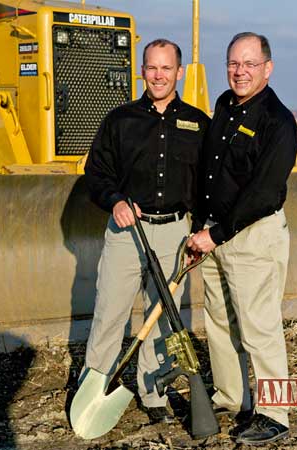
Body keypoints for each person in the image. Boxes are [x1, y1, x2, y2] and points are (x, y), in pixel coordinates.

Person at [82, 38, 210, 424]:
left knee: (161, 317)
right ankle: (94, 387)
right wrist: (116, 201)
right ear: (142, 70)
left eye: (166, 68)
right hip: (126, 233)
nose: (158, 75)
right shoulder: (119, 120)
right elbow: (96, 173)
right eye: (151, 67)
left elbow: (205, 185)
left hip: (175, 233)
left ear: (179, 72)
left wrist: (201, 232)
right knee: (110, 312)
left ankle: (153, 396)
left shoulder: (198, 123)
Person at [187, 32, 297, 445]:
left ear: (267, 68)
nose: (240, 71)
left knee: (259, 328)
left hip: (252, 237)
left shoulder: (278, 122)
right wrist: (199, 228)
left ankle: (275, 414)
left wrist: (215, 234)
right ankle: (233, 396)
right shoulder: (223, 105)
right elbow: (210, 171)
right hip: (214, 235)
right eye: (234, 63)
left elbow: (263, 192)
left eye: (250, 64)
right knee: (219, 321)